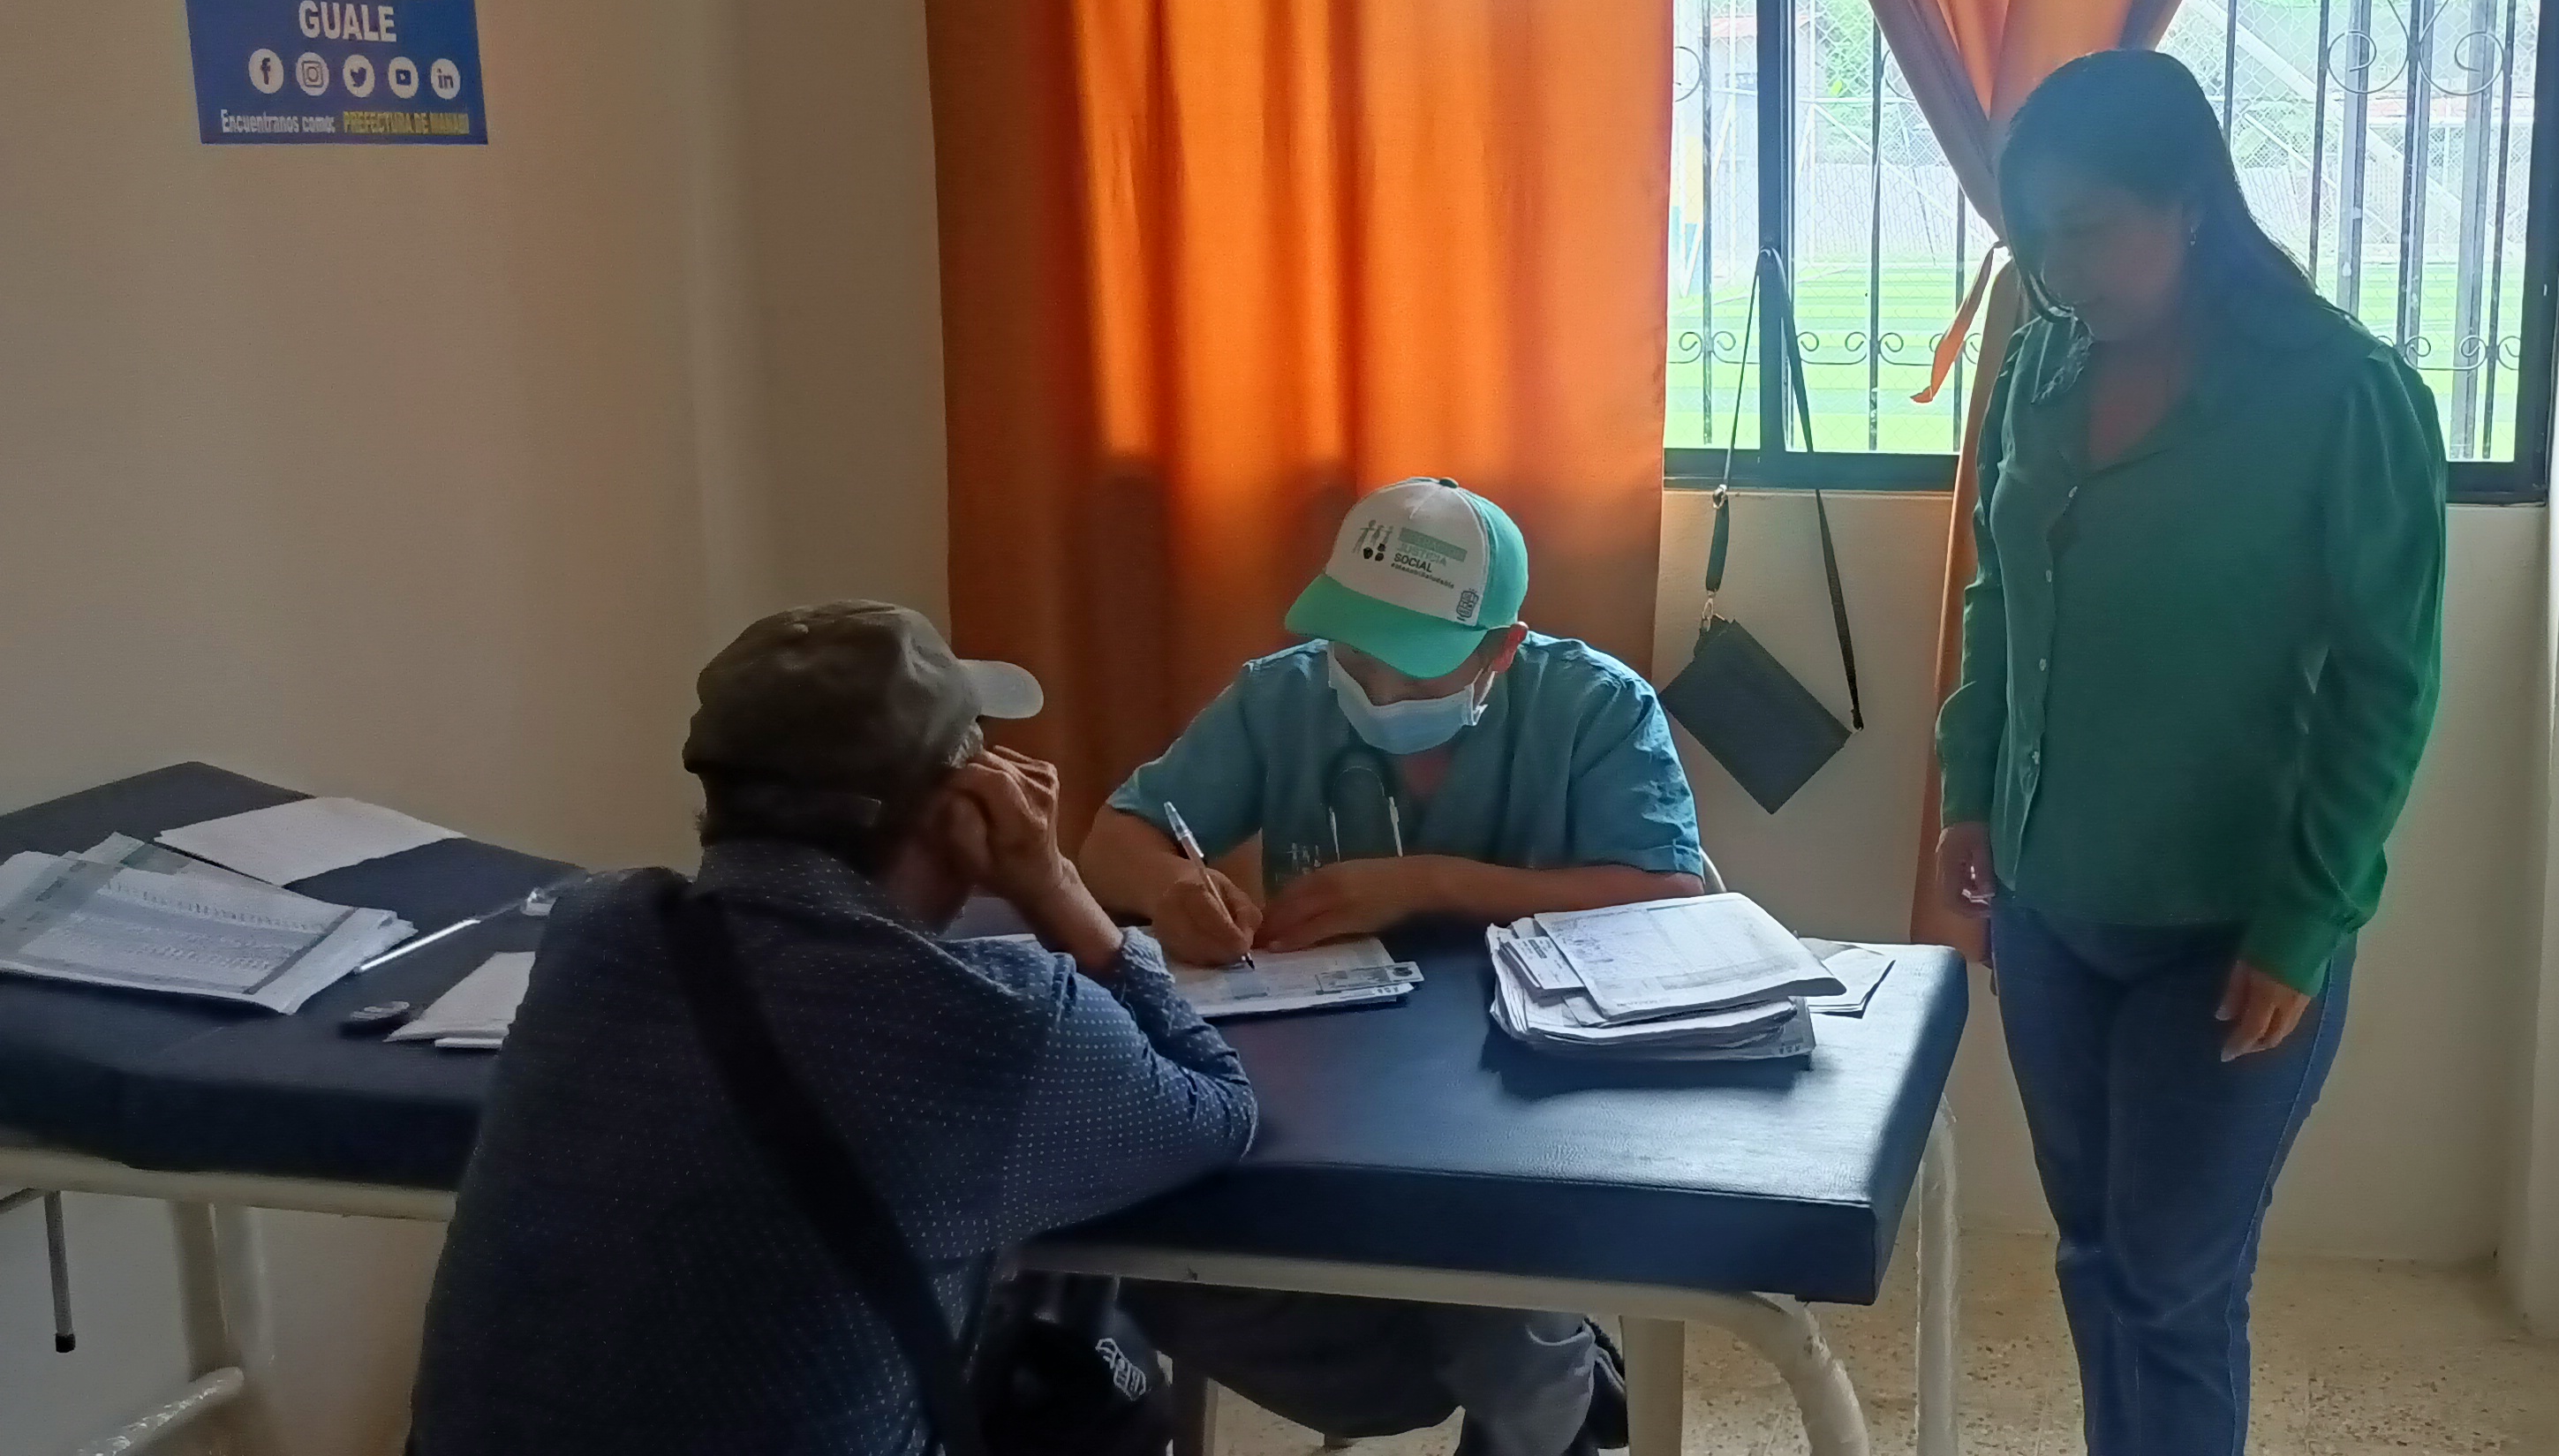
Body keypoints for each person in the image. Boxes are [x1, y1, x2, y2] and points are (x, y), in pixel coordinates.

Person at [1927, 49, 2449, 1456]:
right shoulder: (2041, 365)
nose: (2056, 271)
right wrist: (1971, 791)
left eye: (2088, 231)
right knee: (2097, 1255)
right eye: (2035, 238)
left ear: (2193, 205)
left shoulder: (2343, 396)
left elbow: (2388, 686)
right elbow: (1998, 593)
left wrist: (2304, 923)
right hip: (2049, 908)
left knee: (2169, 1285)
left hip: (2228, 927)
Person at [412, 601, 1257, 1456]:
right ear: (959, 808)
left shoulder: (593, 927)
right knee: (1087, 1362)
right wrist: (1054, 884)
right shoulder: (998, 1019)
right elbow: (1219, 1107)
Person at [1077, 476, 1700, 1456]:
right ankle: (1505, 1371)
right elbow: (1114, 840)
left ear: (1501, 647)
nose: (1376, 689)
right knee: (1155, 1259)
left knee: (1498, 1282)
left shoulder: (1595, 705)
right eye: (1357, 652)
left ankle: (1539, 1402)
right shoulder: (1280, 696)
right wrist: (1172, 889)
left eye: (1415, 667)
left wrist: (1432, 883)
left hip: (1532, 1085)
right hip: (1335, 1073)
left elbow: (1667, 894)